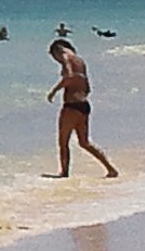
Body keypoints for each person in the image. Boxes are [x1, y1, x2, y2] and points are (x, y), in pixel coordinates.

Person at [45, 37, 117, 179]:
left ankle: (64, 173)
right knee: (84, 143)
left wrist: (54, 91)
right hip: (83, 106)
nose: (57, 60)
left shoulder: (66, 57)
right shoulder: (80, 61)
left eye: (55, 57)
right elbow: (87, 87)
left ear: (57, 51)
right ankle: (110, 168)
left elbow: (69, 76)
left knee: (63, 141)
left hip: (71, 107)